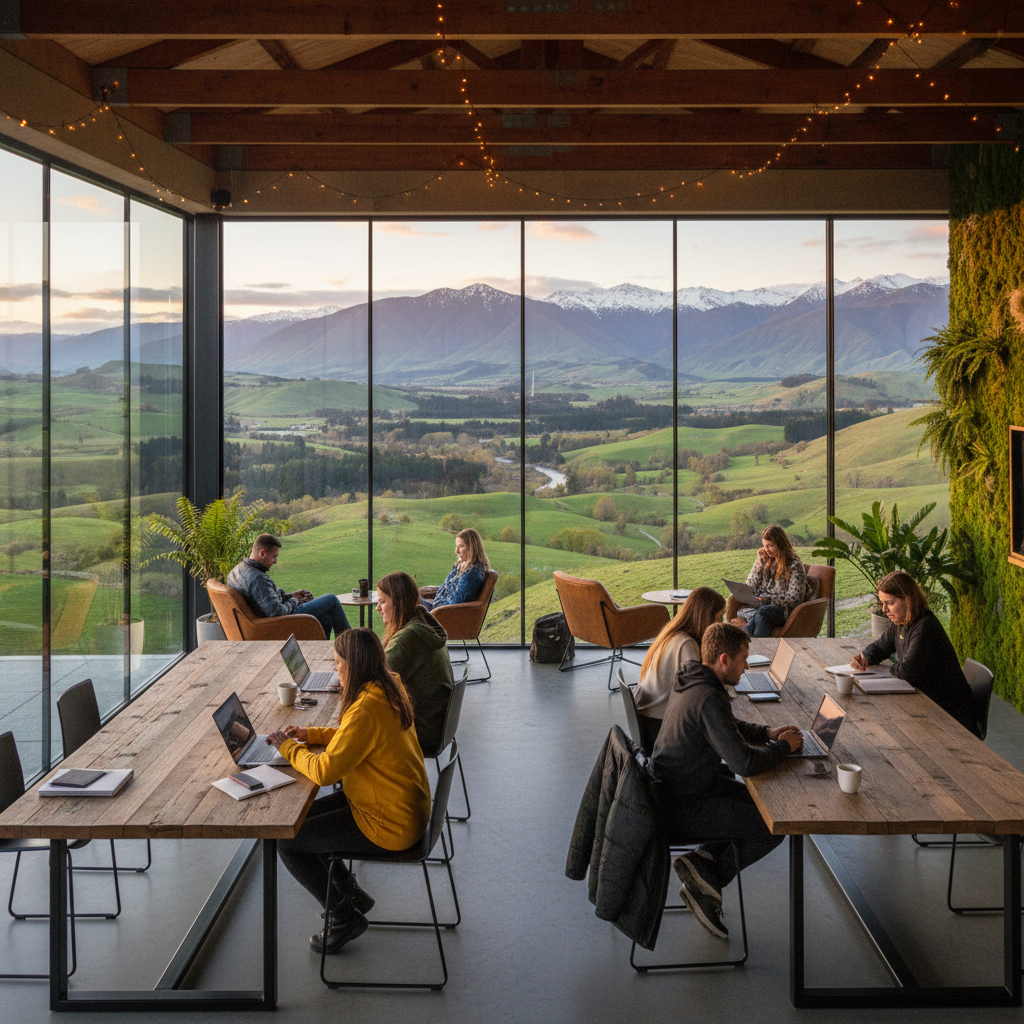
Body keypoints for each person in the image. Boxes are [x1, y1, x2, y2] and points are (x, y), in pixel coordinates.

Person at [268, 628, 430, 954]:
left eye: (338, 664)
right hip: (395, 805)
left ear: (354, 666)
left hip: (388, 823)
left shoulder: (366, 708)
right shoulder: (388, 685)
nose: (336, 670)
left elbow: (325, 772)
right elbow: (353, 736)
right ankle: (351, 896)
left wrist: (287, 747)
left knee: (286, 839)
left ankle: (344, 916)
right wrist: (311, 734)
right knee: (297, 821)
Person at [650, 622, 802, 939]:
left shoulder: (696, 680)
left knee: (766, 807)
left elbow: (726, 725)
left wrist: (766, 733)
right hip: (683, 806)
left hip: (685, 788)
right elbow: (743, 763)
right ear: (723, 660)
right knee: (773, 826)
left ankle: (701, 867)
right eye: (743, 659)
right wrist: (783, 748)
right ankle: (707, 884)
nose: (746, 666)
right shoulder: (707, 697)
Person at [851, 570, 979, 735]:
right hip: (926, 703)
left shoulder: (925, 626)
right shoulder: (900, 622)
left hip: (949, 713)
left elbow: (908, 672)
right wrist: (865, 656)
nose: (884, 609)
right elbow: (881, 646)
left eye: (889, 603)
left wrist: (890, 668)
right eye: (882, 603)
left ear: (908, 600)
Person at [634, 587, 726, 751]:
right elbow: (698, 694)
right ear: (705, 618)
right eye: (718, 618)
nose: (721, 624)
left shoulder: (672, 633)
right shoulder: (686, 644)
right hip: (658, 725)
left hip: (646, 718)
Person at [377, 571, 455, 754]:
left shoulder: (409, 638)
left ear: (398, 603)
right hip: (436, 724)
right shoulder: (422, 624)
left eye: (382, 602)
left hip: (423, 731)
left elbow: (373, 679)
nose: (377, 608)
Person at [226, 533, 349, 639]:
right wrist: (295, 600)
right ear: (262, 553)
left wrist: (288, 596)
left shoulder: (236, 571)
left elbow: (263, 600)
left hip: (263, 621)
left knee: (326, 618)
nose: (275, 561)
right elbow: (277, 613)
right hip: (278, 624)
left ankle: (325, 654)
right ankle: (352, 645)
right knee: (331, 600)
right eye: (274, 556)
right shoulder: (257, 578)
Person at [732, 525, 809, 637]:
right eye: (764, 546)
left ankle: (745, 642)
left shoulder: (794, 566)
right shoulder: (764, 560)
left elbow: (795, 598)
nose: (767, 549)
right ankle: (752, 647)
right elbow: (750, 585)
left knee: (763, 613)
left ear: (780, 544)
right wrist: (759, 564)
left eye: (770, 545)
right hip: (758, 606)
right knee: (760, 615)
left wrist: (769, 599)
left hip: (781, 610)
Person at [420, 528, 490, 610]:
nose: (456, 551)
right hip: (436, 606)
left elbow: (455, 602)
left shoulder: (472, 572)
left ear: (472, 548)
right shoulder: (460, 565)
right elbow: (445, 588)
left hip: (441, 612)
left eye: (461, 546)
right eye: (456, 546)